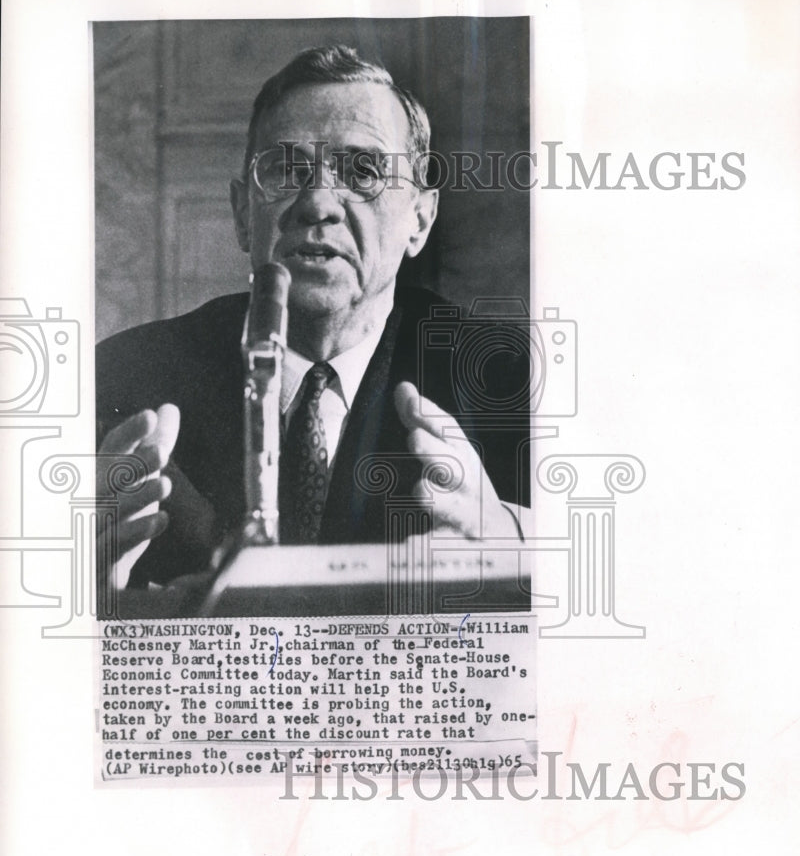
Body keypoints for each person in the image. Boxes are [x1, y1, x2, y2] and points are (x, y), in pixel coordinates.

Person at [96, 45, 527, 594]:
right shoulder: (122, 379)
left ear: (419, 219)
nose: (318, 201)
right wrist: (82, 591)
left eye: (363, 170)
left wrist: (513, 538)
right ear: (242, 216)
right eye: (284, 169)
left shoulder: (508, 382)